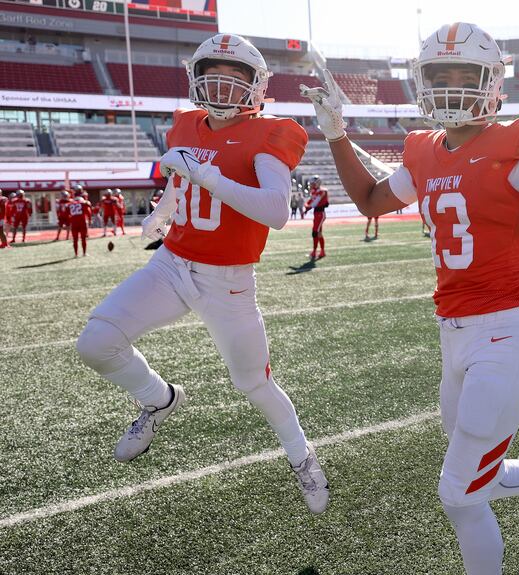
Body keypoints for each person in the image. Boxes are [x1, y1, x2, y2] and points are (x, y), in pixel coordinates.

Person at [302, 26, 519, 574]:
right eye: (438, 77)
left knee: (457, 492)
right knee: (481, 477)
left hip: (507, 333)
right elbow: (374, 201)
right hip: (453, 331)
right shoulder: (425, 151)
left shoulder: (515, 148)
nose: (449, 89)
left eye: (463, 77)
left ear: (491, 84)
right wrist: (335, 134)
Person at [74, 33, 329, 514]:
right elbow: (180, 175)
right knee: (95, 341)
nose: (223, 89)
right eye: (214, 77)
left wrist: (206, 176)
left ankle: (302, 457)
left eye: (236, 81)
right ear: (195, 80)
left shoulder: (269, 133)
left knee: (254, 385)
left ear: (257, 88)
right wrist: (163, 211)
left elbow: (276, 210)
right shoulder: (186, 124)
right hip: (171, 262)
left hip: (228, 280)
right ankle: (159, 398)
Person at [304, 175, 328, 259]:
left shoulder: (322, 191)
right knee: (319, 233)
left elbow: (314, 203)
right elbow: (310, 201)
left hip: (320, 214)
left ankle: (314, 252)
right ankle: (322, 251)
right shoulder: (314, 191)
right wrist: (306, 205)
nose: (311, 185)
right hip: (316, 214)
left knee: (315, 232)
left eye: (312, 183)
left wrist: (307, 207)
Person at [68, 189, 92, 257]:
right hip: (82, 222)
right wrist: (90, 220)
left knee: (75, 240)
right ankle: (84, 253)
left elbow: (68, 214)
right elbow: (89, 212)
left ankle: (76, 254)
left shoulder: (70, 204)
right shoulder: (84, 203)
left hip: (74, 223)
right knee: (83, 238)